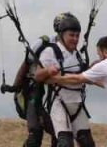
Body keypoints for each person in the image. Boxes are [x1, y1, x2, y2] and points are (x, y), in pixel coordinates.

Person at [31, 13, 94, 147]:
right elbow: (37, 75)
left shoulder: (77, 54)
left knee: (87, 142)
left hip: (77, 103)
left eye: (77, 35)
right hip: (59, 102)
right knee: (65, 142)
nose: (75, 39)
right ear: (62, 35)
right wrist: (47, 71)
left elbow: (85, 73)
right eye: (71, 35)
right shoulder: (51, 51)